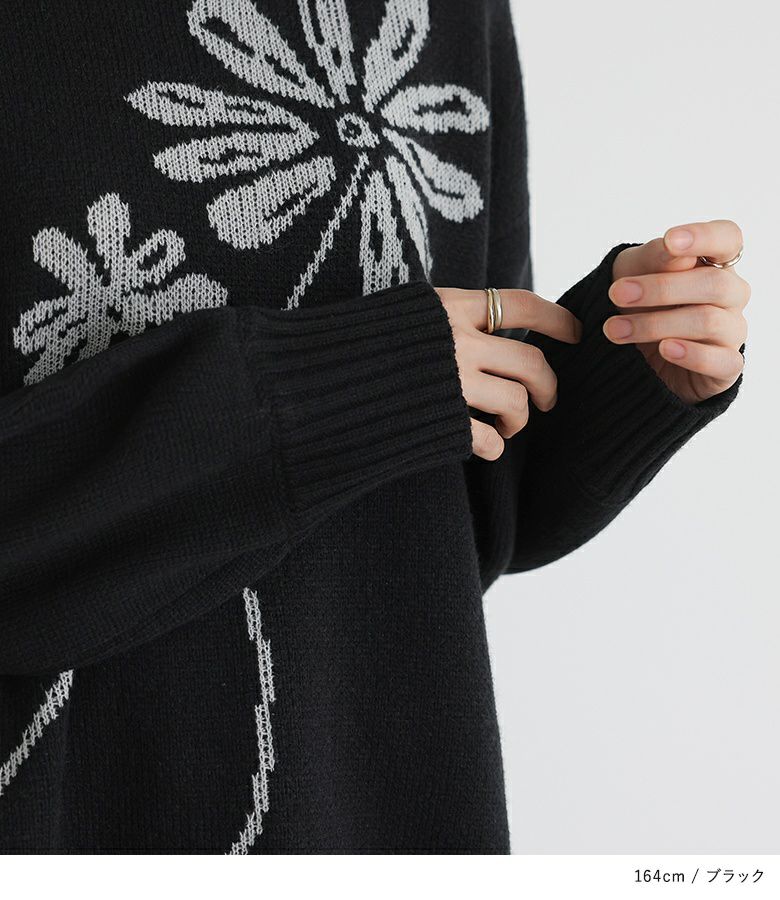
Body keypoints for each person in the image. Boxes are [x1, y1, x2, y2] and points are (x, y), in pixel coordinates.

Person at [0, 0, 748, 853]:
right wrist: (344, 386)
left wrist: (624, 365)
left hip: (376, 816)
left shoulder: (455, 14)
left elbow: (454, 524)